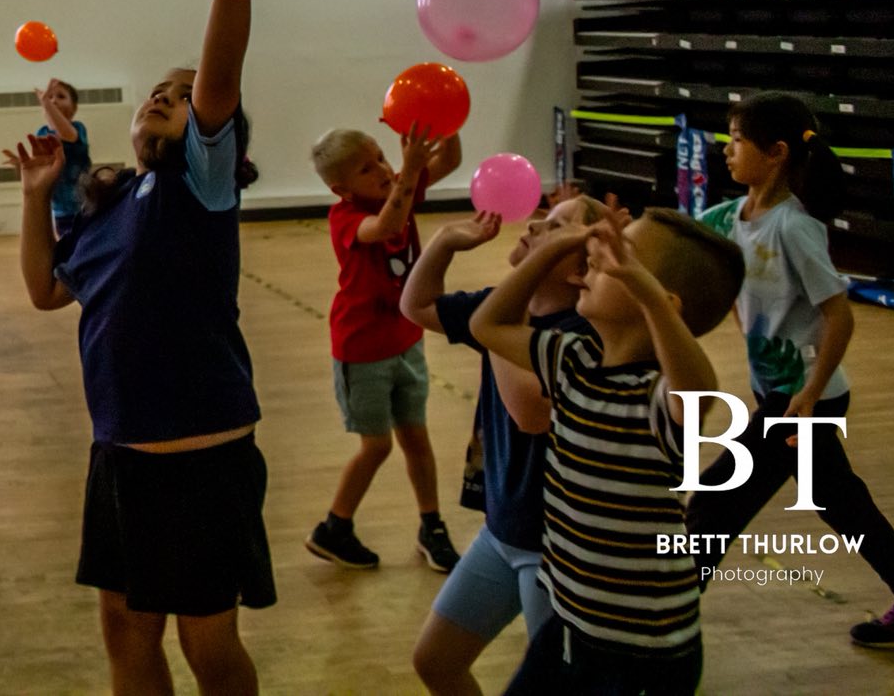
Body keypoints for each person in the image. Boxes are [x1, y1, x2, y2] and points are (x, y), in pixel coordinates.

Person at [8, 0, 275, 694]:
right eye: (156, 92)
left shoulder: (197, 190)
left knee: (207, 648)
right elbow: (48, 291)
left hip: (202, 462)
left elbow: (219, 77)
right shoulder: (112, 201)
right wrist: (35, 197)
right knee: (125, 632)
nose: (168, 96)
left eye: (181, 96)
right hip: (120, 456)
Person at [686, 92, 894, 650]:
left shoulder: (794, 228)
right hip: (783, 395)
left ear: (775, 153)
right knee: (839, 501)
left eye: (738, 140)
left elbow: (838, 316)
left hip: (802, 401)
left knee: (716, 502)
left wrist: (812, 393)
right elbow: (677, 242)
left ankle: (664, 618)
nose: (727, 149)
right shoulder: (730, 217)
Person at [471, 207, 743, 695]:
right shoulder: (569, 360)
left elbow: (700, 391)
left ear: (662, 301)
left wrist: (647, 295)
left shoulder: (657, 399)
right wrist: (551, 247)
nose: (599, 253)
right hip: (570, 626)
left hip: (643, 653)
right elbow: (488, 324)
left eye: (625, 253)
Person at [401, 196, 606, 695]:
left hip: (555, 546)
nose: (535, 224)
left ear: (581, 272)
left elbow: (531, 414)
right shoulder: (503, 314)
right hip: (502, 531)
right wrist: (446, 243)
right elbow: (416, 305)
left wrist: (493, 325)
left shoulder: (582, 333)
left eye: (556, 228)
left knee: (556, 687)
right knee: (436, 662)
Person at [306, 125, 465, 573]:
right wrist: (410, 172)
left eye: (380, 156)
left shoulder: (401, 185)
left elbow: (449, 159)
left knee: (416, 436)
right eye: (365, 167)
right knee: (376, 446)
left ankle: (431, 526)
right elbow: (389, 225)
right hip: (362, 350)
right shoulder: (346, 218)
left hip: (405, 342)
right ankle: (333, 528)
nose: (382, 168)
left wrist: (445, 119)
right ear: (342, 188)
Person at [36, 78, 92, 239]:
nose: (53, 101)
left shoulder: (77, 128)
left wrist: (46, 104)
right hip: (58, 206)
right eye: (50, 96)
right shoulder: (42, 132)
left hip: (83, 204)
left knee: (84, 241)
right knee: (65, 243)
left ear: (74, 108)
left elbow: (67, 134)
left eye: (60, 96)